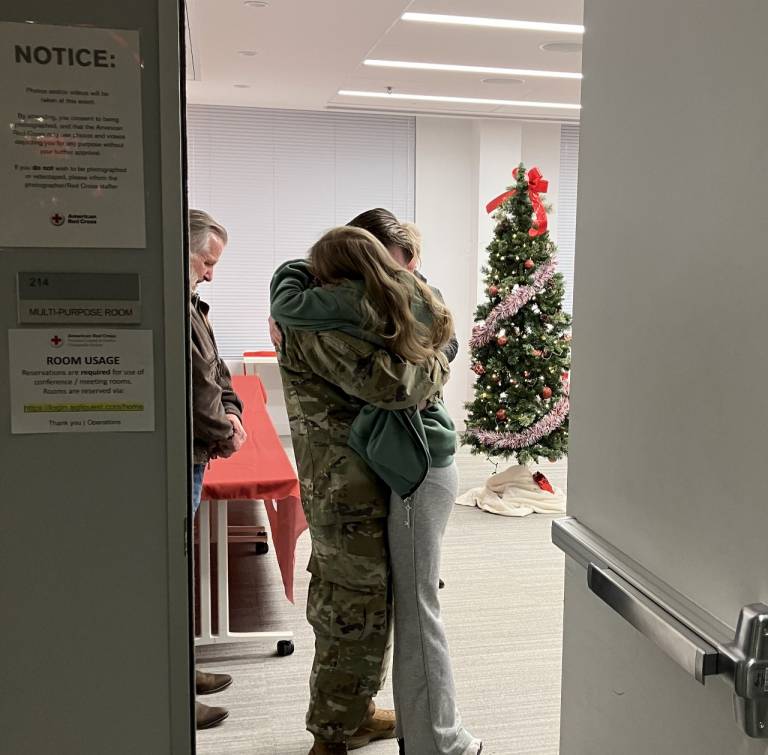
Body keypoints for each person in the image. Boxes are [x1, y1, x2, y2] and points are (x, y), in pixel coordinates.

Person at [271, 226, 482, 755]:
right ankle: (333, 733)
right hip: (344, 487)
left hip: (361, 476)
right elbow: (393, 385)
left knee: (371, 601)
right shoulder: (316, 328)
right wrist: (439, 357)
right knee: (353, 608)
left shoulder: (323, 309)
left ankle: (356, 713)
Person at [188, 209, 247, 729]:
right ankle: (172, 688)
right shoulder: (173, 305)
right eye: (206, 261)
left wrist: (233, 411)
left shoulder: (194, 305)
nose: (211, 273)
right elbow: (195, 389)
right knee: (166, 573)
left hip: (198, 451)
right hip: (184, 455)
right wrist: (224, 431)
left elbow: (217, 372)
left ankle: (182, 668)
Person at [348, 209, 459, 364]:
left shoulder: (431, 295)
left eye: (412, 253)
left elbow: (451, 343)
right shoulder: (373, 290)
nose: (407, 260)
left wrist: (428, 364)